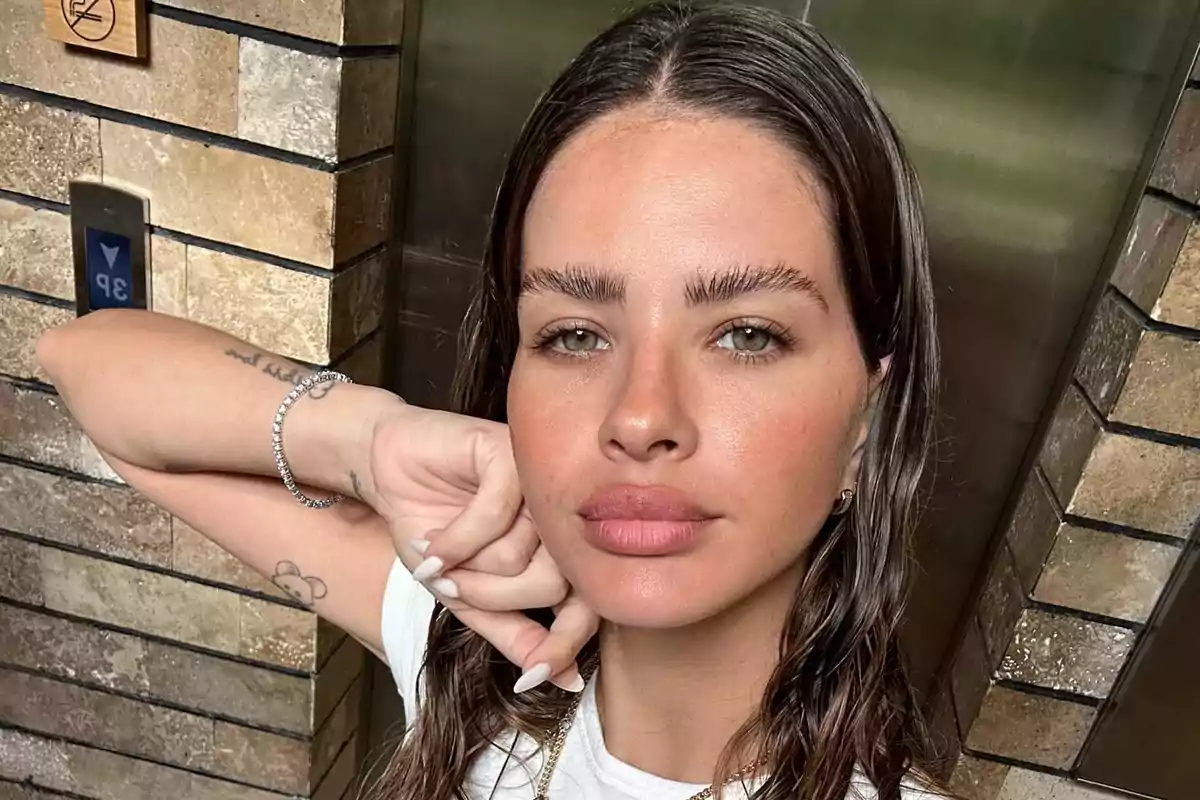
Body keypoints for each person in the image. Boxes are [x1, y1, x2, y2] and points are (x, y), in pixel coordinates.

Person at [37, 2, 947, 798]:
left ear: (868, 417)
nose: (639, 416)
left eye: (748, 334)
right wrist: (369, 439)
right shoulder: (477, 659)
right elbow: (85, 365)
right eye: (575, 334)